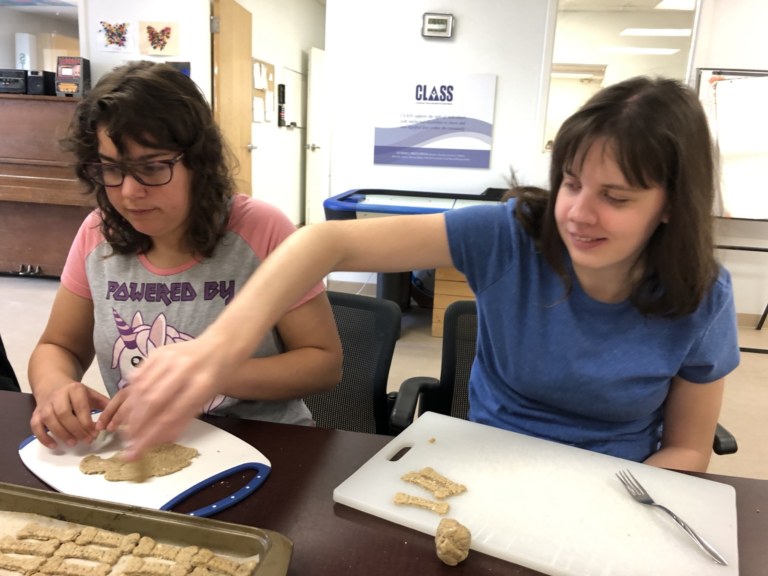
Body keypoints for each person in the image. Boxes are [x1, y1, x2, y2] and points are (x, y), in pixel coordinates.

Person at [121, 76, 740, 472]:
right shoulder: (512, 234)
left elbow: (688, 447)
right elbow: (324, 243)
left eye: (618, 196)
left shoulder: (702, 294)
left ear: (669, 206)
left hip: (615, 481)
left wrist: (622, 499)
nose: (578, 213)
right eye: (571, 183)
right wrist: (218, 348)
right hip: (489, 466)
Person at [28, 61, 342, 449]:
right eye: (110, 169)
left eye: (152, 167)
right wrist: (55, 388)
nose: (129, 192)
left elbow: (323, 363)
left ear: (198, 162)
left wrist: (209, 374)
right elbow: (57, 346)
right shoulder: (98, 234)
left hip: (262, 443)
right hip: (143, 449)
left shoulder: (261, 229)